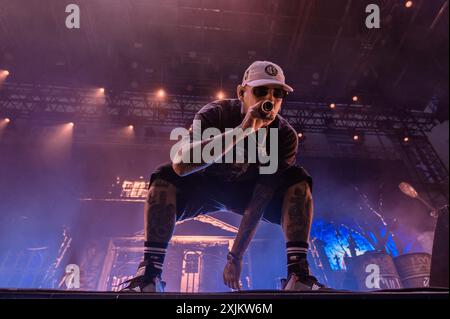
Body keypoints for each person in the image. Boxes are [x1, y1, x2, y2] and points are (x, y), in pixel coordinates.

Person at [124, 61, 324, 292]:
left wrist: (235, 257)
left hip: (247, 193)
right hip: (205, 187)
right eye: (260, 91)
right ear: (242, 92)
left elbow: (261, 198)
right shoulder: (215, 114)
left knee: (298, 179)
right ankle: (150, 272)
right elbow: (180, 165)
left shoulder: (285, 135)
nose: (270, 99)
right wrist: (244, 129)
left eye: (278, 93)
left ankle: (297, 272)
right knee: (163, 176)